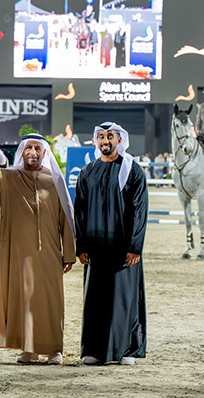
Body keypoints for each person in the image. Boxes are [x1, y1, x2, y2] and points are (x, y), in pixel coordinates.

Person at [0, 131, 76, 365]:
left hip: (50, 252)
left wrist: (69, 253)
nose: (33, 153)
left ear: (44, 152)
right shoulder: (10, 178)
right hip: (19, 254)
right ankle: (28, 349)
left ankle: (54, 349)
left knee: (51, 301)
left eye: (37, 148)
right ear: (22, 151)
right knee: (24, 300)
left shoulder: (54, 180)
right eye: (28, 148)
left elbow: (66, 217)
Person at [74, 121, 148, 366]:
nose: (105, 141)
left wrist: (135, 246)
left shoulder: (132, 171)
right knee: (95, 299)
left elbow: (140, 210)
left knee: (123, 299)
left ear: (120, 140)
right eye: (101, 137)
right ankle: (94, 350)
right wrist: (81, 246)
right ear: (96, 141)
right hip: (95, 248)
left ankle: (126, 350)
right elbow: (80, 212)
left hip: (123, 249)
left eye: (110, 137)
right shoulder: (87, 172)